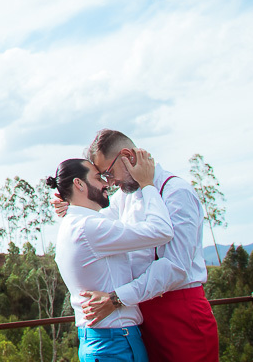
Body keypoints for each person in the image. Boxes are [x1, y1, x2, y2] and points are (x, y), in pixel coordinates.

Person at [78, 129, 220, 362]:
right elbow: (99, 225)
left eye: (109, 173)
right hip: (143, 312)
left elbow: (176, 267)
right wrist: (72, 204)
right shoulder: (126, 196)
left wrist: (116, 298)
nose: (111, 183)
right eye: (105, 178)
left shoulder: (176, 192)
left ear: (127, 156)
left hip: (181, 313)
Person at [50, 150, 172, 362]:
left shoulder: (72, 224)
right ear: (79, 184)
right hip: (115, 343)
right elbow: (161, 231)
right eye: (98, 178)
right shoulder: (90, 227)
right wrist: (147, 184)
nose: (106, 184)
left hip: (102, 340)